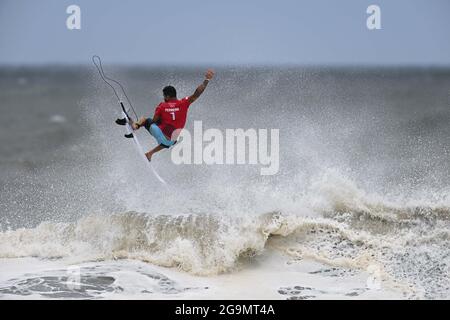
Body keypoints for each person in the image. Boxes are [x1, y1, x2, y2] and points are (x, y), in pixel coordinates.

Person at [116, 69, 214, 161]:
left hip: (160, 135)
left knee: (145, 120)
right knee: (173, 137)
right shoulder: (184, 103)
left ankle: (134, 126)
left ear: (167, 96)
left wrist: (157, 120)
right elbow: (196, 94)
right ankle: (150, 153)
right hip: (171, 142)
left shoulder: (162, 106)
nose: (163, 98)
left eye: (164, 96)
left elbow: (154, 121)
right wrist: (207, 80)